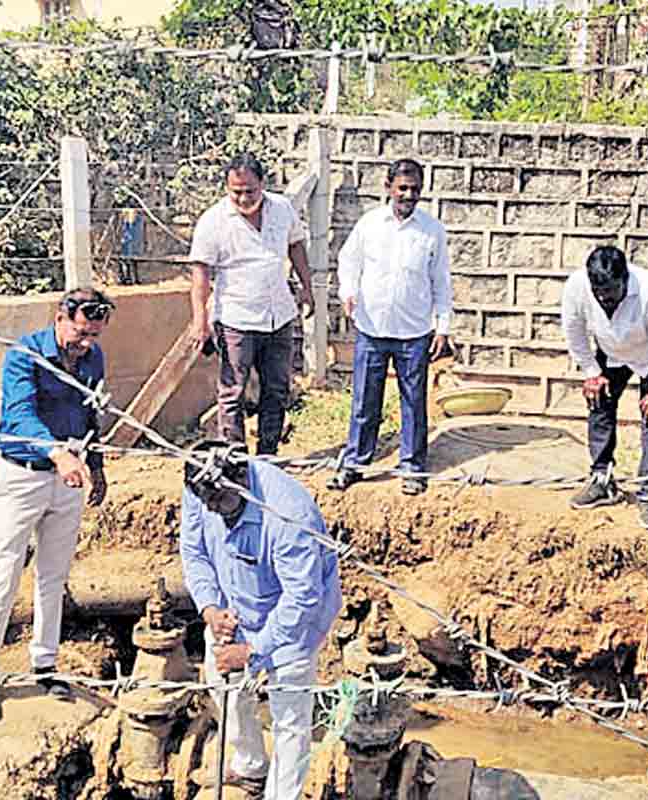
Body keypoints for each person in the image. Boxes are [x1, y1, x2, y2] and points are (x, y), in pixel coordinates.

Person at [0, 288, 114, 722]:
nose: (86, 344)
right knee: (4, 573)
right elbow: (20, 416)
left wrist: (96, 465)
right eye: (80, 334)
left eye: (94, 336)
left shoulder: (93, 358)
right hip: (23, 476)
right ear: (60, 316)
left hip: (68, 478)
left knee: (54, 575)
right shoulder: (24, 355)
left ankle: (44, 664)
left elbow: (91, 415)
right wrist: (58, 454)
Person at [180, 440, 342, 800]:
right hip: (232, 609)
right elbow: (193, 550)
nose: (214, 512)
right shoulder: (201, 484)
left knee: (290, 722)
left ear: (242, 484)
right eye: (207, 504)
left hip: (296, 623)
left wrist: (253, 651)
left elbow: (303, 598)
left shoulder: (288, 515)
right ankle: (251, 763)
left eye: (221, 503)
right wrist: (209, 608)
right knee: (226, 693)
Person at [328, 158, 453, 496]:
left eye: (414, 190)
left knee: (413, 401)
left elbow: (441, 281)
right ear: (388, 188)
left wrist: (442, 326)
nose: (408, 195)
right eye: (402, 188)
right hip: (372, 327)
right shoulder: (370, 224)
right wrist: (348, 291)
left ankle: (412, 467)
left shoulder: (432, 231)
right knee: (365, 400)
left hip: (414, 332)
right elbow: (348, 261)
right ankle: (355, 463)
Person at [187, 152, 314, 455]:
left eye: (250, 191)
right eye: (236, 192)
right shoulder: (213, 221)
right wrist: (199, 322)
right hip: (236, 319)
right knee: (233, 391)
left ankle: (268, 454)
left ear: (263, 184)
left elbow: (296, 244)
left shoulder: (282, 209)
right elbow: (200, 273)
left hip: (278, 316)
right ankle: (235, 457)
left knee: (277, 388)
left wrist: (307, 287)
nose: (243, 198)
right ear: (227, 188)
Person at [561, 245, 648, 530]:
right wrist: (592, 372)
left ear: (625, 279)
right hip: (613, 349)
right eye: (599, 292)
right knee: (599, 402)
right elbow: (574, 333)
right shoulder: (577, 287)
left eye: (611, 291)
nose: (604, 298)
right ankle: (602, 481)